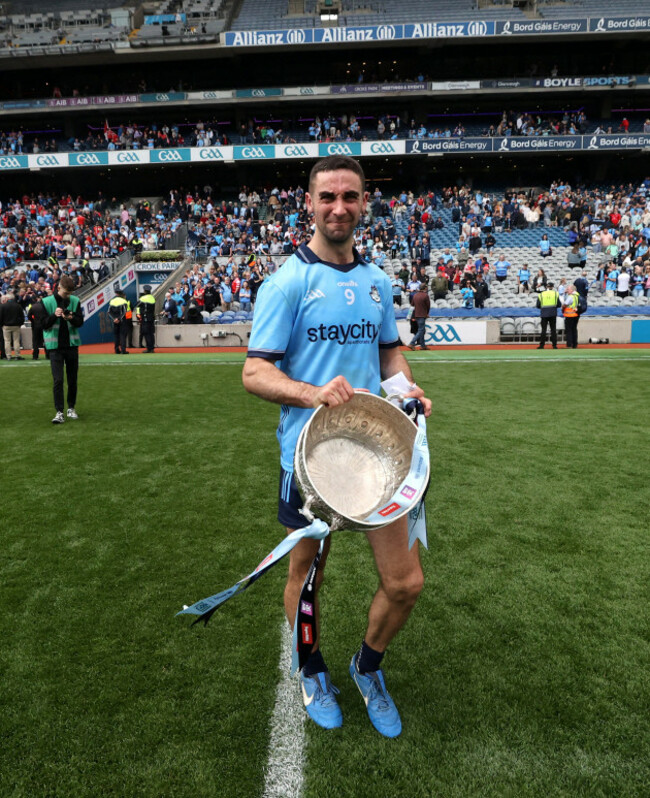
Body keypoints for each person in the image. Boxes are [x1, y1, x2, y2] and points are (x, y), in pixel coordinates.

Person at [242, 155, 432, 739]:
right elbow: (253, 372)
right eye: (328, 197)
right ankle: (312, 668)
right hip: (310, 463)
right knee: (308, 577)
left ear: (364, 203)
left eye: (350, 196)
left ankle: (366, 666)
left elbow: (388, 355)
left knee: (406, 583)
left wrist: (405, 387)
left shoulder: (377, 281)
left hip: (376, 458)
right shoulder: (287, 282)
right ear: (309, 203)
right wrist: (310, 392)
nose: (339, 207)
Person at [41, 274, 84, 423]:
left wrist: (71, 317)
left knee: (73, 379)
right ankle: (59, 411)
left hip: (72, 346)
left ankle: (71, 407)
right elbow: (43, 324)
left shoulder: (75, 300)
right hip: (55, 347)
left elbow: (80, 322)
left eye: (70, 294)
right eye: (66, 293)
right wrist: (54, 315)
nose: (68, 296)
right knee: (58, 380)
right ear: (59, 287)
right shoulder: (46, 302)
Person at [536, 280, 561, 349]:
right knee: (553, 330)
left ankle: (542, 345)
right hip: (553, 313)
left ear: (546, 287)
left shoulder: (541, 294)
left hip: (544, 313)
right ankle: (554, 345)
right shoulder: (556, 294)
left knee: (543, 330)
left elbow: (538, 305)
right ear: (552, 287)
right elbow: (559, 304)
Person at [0, 292, 25, 360]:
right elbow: (22, 316)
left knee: (7, 341)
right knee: (16, 341)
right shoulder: (18, 306)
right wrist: (20, 324)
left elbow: (1, 316)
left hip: (6, 326)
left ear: (7, 298)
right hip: (16, 325)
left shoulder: (3, 306)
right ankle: (17, 355)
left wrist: (2, 325)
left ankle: (8, 356)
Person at [408, 282, 431, 351]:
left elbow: (412, 305)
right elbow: (428, 306)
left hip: (416, 315)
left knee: (421, 330)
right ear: (424, 288)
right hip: (422, 315)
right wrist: (427, 313)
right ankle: (412, 343)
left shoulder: (415, 295)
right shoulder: (425, 295)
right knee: (421, 330)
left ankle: (423, 345)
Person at [107, 290, 130, 354]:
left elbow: (109, 312)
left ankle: (117, 350)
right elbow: (124, 312)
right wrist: (119, 319)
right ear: (121, 294)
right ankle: (123, 350)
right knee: (123, 335)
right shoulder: (124, 301)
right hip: (122, 321)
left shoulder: (112, 301)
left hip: (114, 321)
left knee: (116, 335)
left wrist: (114, 319)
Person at [136, 285, 156, 353]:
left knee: (146, 333)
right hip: (151, 318)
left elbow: (137, 305)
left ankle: (149, 348)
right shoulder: (152, 298)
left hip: (145, 318)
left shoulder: (143, 298)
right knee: (151, 333)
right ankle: (152, 347)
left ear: (145, 291)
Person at [562, 283, 580, 349]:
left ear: (572, 290)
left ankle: (569, 344)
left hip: (570, 315)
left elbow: (565, 304)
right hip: (576, 315)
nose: (567, 290)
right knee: (574, 330)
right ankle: (575, 344)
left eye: (568, 289)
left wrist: (562, 307)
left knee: (569, 330)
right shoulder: (577, 296)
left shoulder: (571, 296)